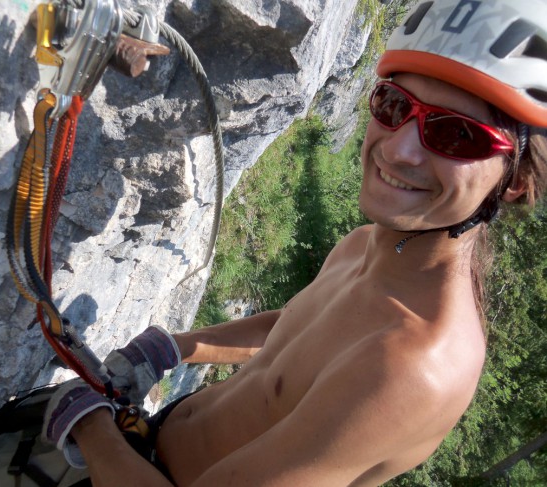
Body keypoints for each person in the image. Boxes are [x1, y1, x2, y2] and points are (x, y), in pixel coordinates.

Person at [41, 0, 547, 485]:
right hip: (141, 446)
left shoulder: (415, 366)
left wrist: (90, 426)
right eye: (394, 105)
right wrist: (173, 348)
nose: (397, 149)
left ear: (518, 178)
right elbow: (295, 332)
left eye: (457, 134)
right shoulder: (363, 246)